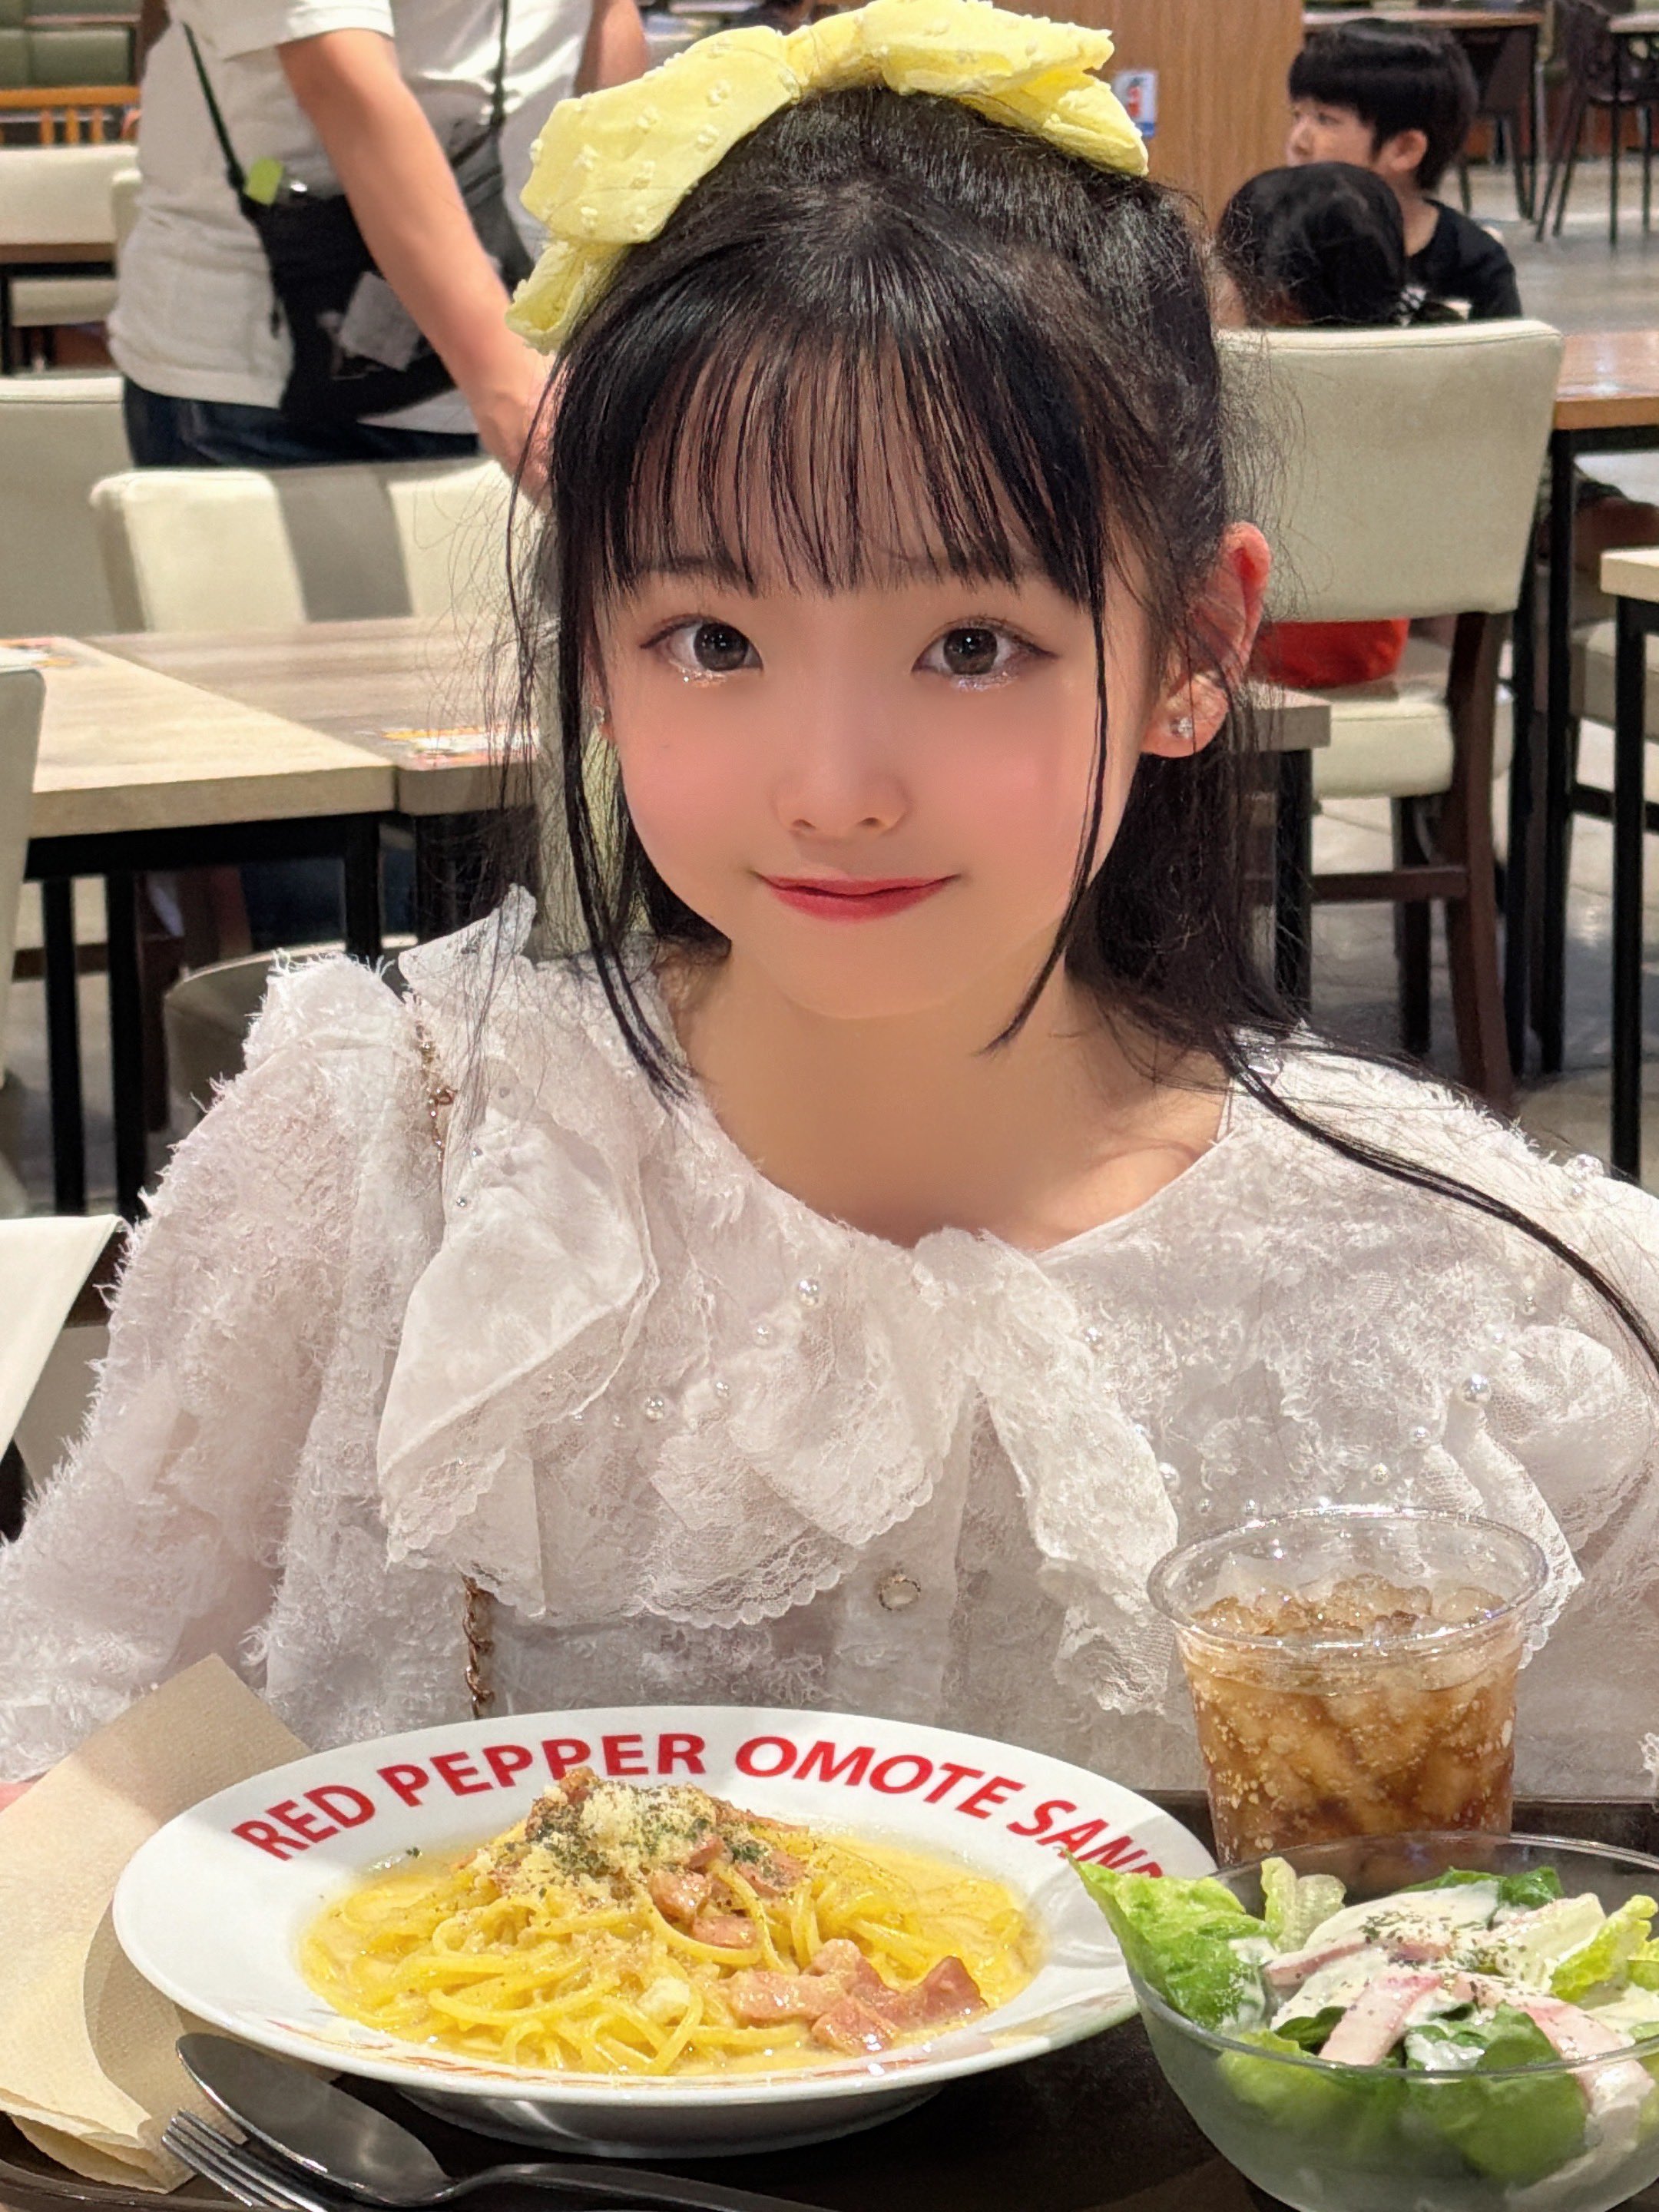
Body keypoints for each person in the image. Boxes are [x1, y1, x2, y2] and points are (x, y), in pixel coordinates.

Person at [4, 0, 1658, 1813]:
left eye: (974, 645)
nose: (834, 786)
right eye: (712, 639)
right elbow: (67, 1713)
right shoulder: (382, 1158)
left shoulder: (1484, 1306)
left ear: (1195, 645)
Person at [111, 0, 647, 474]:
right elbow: (338, 80)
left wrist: (622, 316)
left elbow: (605, 23)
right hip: (263, 390)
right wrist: (507, 385)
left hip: (536, 364)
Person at [1214, 161, 1445, 691]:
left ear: (1271, 293)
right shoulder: (1423, 384)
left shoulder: (1231, 386)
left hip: (1233, 663)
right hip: (1371, 654)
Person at [1287, 20, 1522, 322]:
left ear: (1405, 149)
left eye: (1325, 119)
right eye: (1297, 116)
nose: (1298, 141)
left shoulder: (1473, 263)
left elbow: (1505, 351)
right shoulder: (1279, 250)